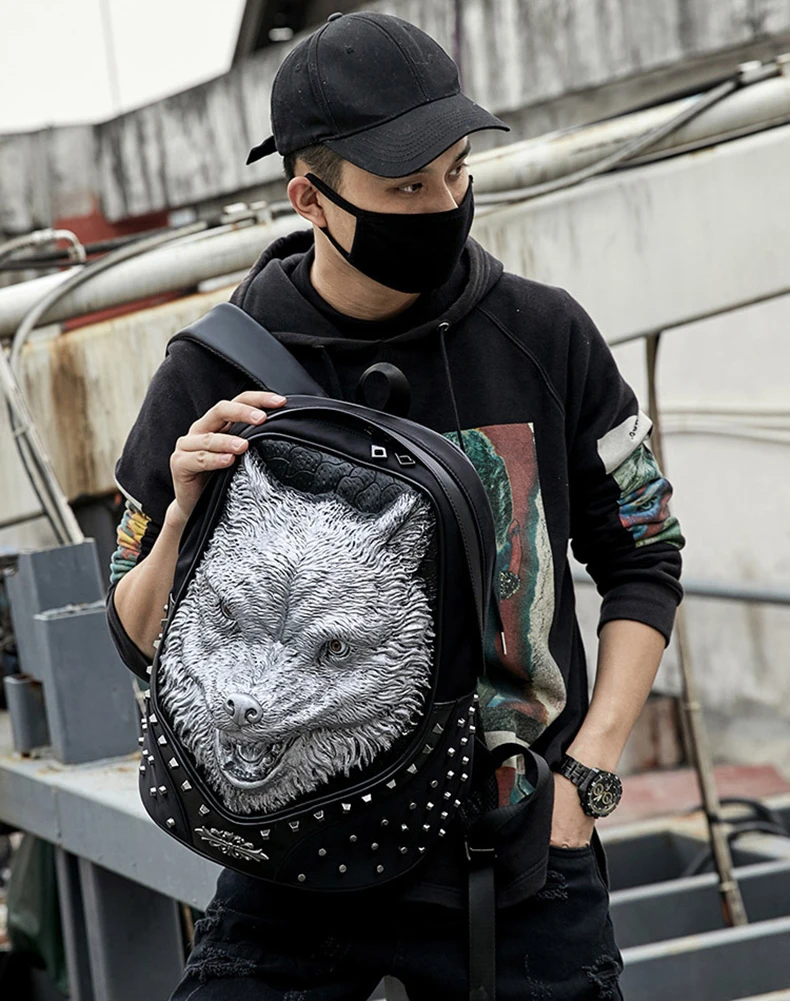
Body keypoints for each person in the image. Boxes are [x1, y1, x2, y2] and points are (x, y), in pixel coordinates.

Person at [106, 11, 684, 1000]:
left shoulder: (544, 334)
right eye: (406, 187)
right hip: (287, 854)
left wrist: (587, 772)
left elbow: (644, 553)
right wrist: (181, 523)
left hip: (515, 852)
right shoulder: (213, 369)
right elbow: (133, 630)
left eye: (456, 172)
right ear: (310, 197)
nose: (445, 203)